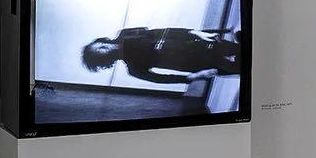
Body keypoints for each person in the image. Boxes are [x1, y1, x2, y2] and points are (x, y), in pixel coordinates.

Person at [82, 27, 241, 91]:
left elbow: (164, 31)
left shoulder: (125, 33)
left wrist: (197, 33)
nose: (103, 49)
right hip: (194, 63)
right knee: (240, 68)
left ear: (101, 41)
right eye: (99, 55)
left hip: (196, 43)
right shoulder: (133, 69)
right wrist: (194, 77)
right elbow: (161, 79)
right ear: (104, 61)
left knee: (239, 48)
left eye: (99, 46)